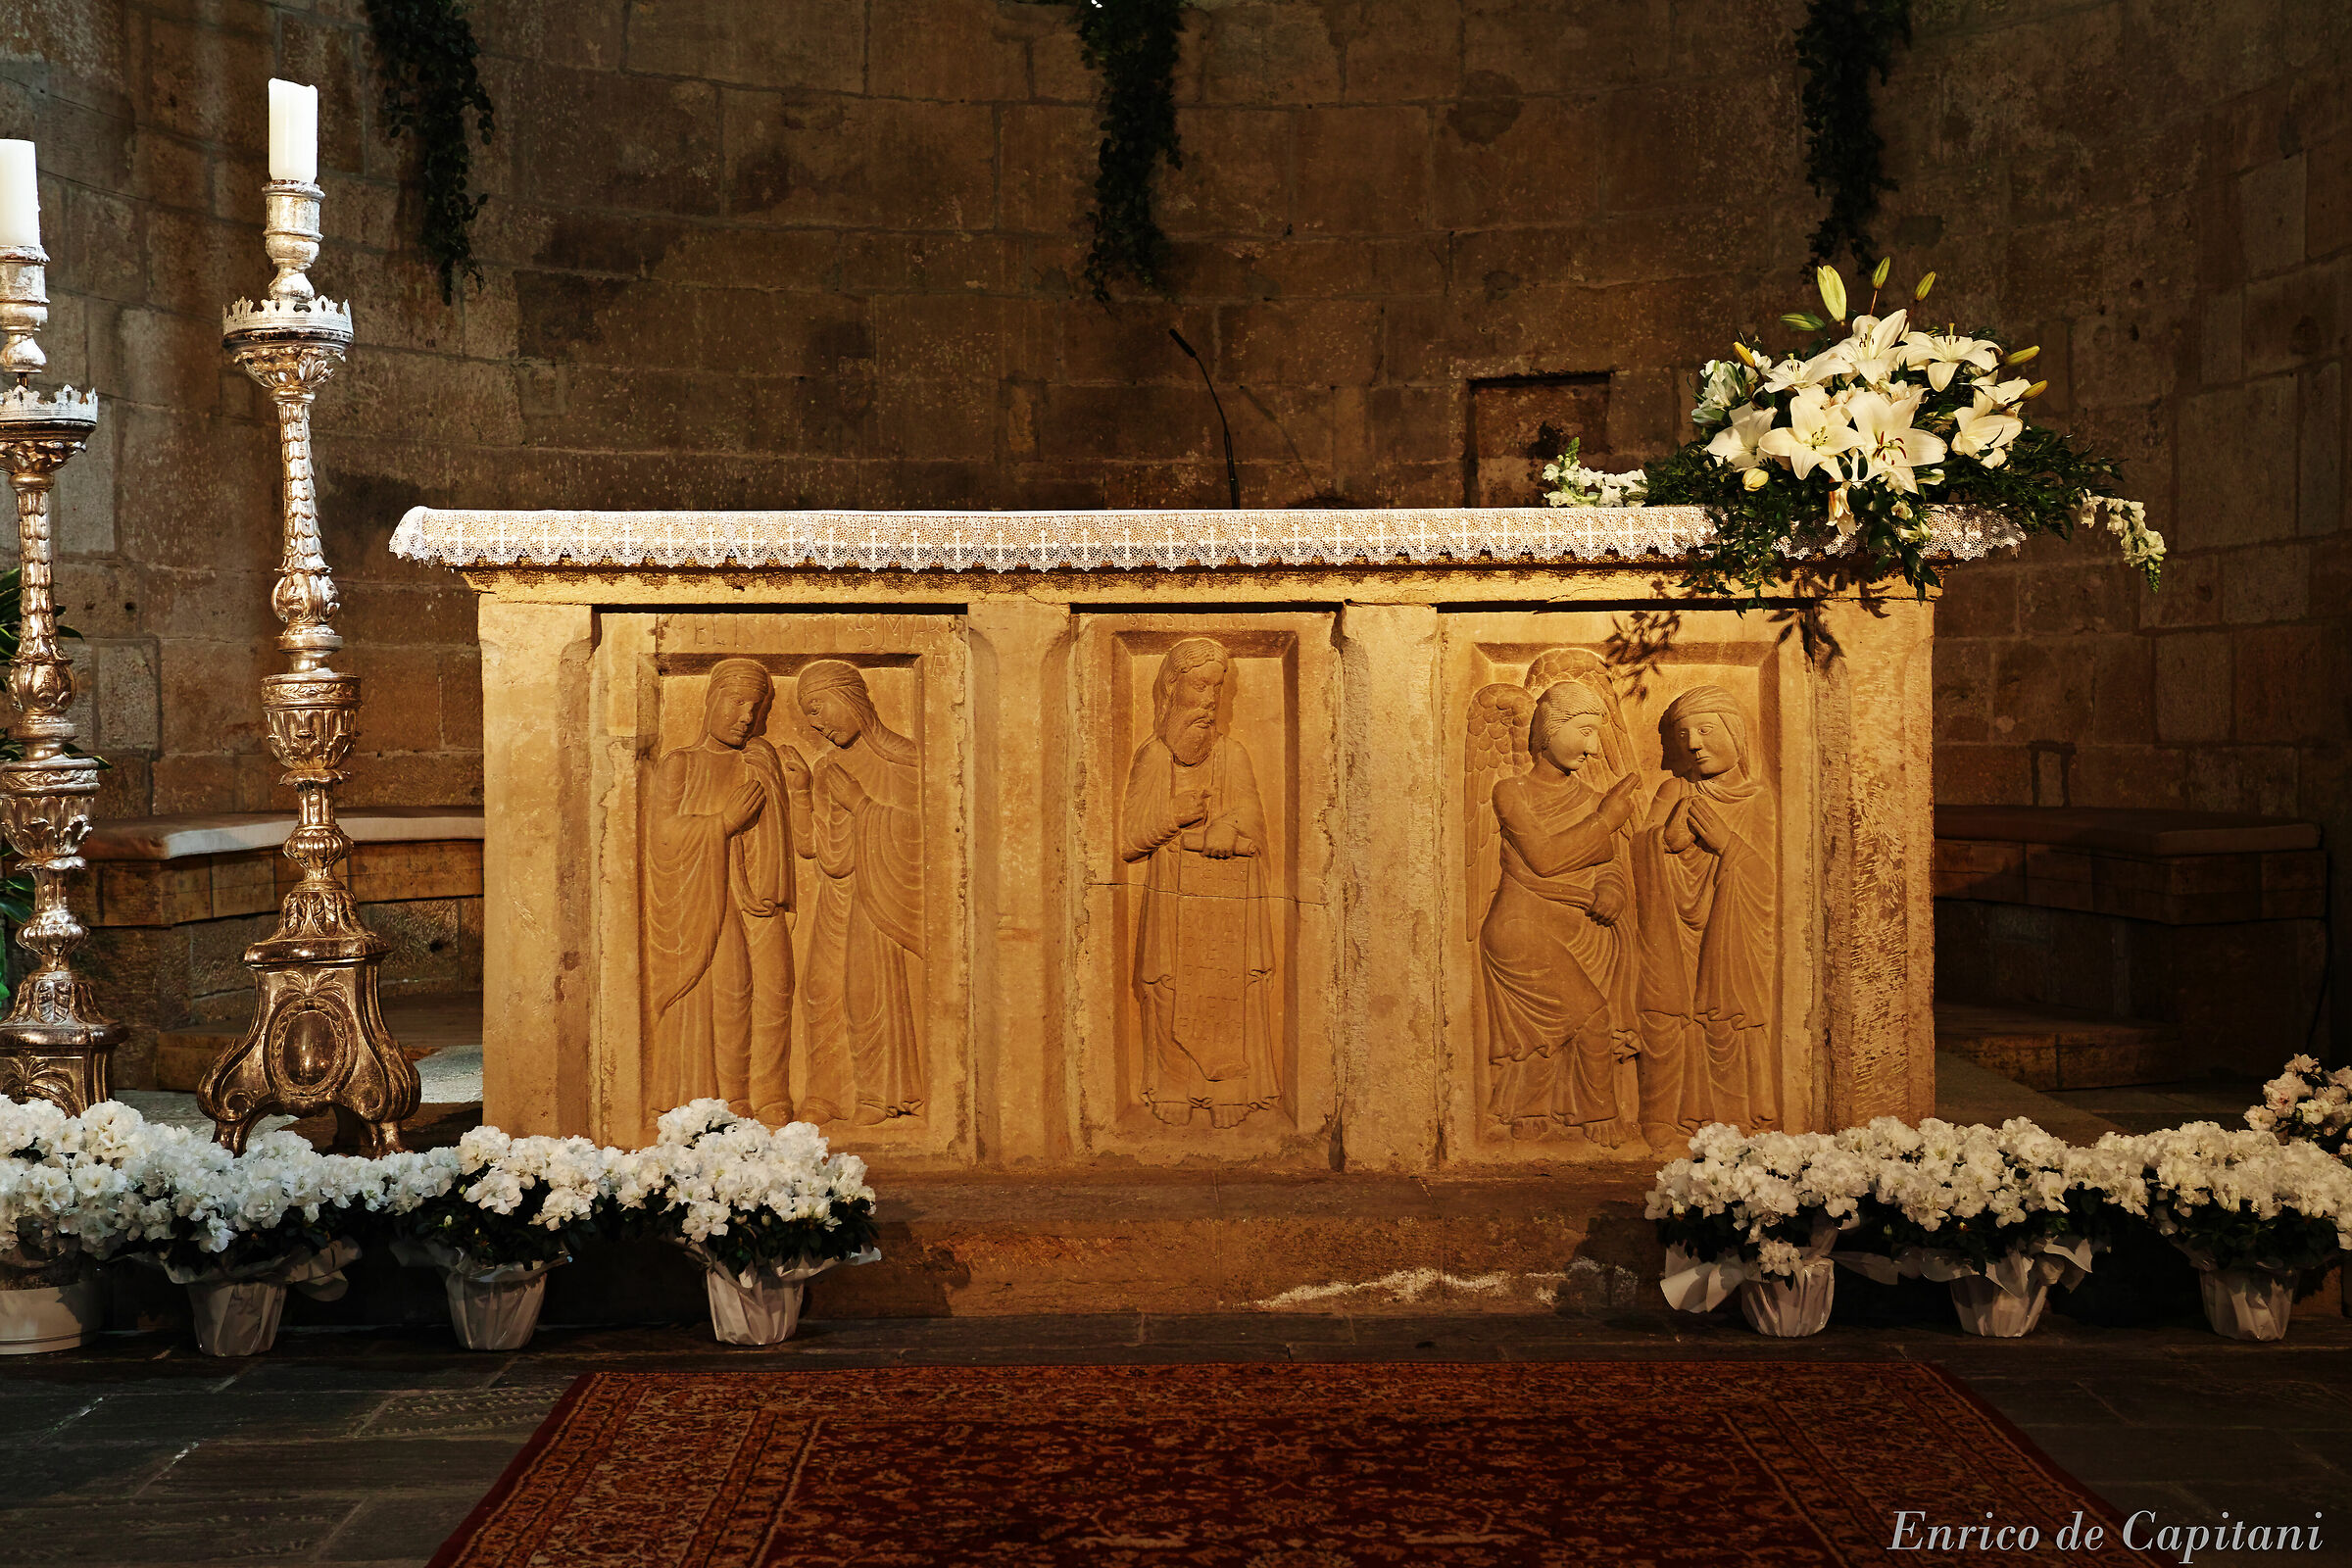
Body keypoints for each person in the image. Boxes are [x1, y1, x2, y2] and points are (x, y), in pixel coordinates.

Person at [1120, 637, 1281, 1130]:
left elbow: (1255, 822)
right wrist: (1174, 815)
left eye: (1217, 688)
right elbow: (1130, 839)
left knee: (1232, 985)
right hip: (1173, 893)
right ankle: (1174, 1086)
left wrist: (1229, 827)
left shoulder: (1233, 755)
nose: (1209, 699)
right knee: (1167, 983)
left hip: (1229, 900)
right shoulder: (1154, 757)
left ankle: (1230, 1088)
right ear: (1173, 687)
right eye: (1199, 686)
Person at [1478, 680, 1643, 1143]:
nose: (1592, 748)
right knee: (1590, 1017)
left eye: (1597, 735)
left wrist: (1610, 889)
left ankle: (1539, 1107)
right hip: (1519, 928)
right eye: (1584, 732)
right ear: (1549, 730)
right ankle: (1598, 1116)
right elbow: (1545, 859)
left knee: (1562, 1026)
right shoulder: (1512, 792)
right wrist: (1607, 820)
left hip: (1580, 929)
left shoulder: (1590, 799)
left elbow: (1608, 863)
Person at [643, 659, 805, 1125]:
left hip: (762, 891)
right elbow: (662, 835)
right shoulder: (682, 763)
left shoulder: (759, 757)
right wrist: (722, 824)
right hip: (710, 896)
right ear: (711, 701)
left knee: (777, 989)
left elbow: (781, 832)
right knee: (733, 992)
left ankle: (771, 1094)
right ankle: (734, 1097)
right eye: (736, 703)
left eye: (756, 708)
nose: (746, 717)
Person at [1632, 683, 1778, 1139]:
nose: (1693, 743)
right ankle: (1664, 1117)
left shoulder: (1757, 799)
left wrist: (1726, 843)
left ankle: (1734, 1119)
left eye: (1705, 729)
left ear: (1735, 733)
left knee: (1725, 1020)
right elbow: (1640, 849)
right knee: (1667, 1016)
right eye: (1683, 735)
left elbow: (1766, 880)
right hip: (1672, 929)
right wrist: (1665, 839)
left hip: (1731, 933)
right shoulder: (1672, 790)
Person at [795, 660, 927, 1126]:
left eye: (818, 708)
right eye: (808, 715)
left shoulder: (906, 759)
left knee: (866, 990)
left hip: (879, 897)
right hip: (836, 895)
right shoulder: (826, 766)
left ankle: (880, 1094)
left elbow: (928, 833)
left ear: (849, 698)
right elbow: (814, 847)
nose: (816, 724)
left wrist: (862, 806)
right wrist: (799, 792)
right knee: (820, 989)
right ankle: (827, 1094)